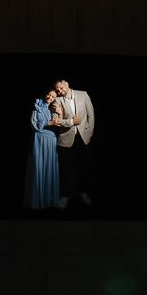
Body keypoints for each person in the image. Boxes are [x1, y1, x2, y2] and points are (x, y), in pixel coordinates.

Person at [52, 77, 97, 209]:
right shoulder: (57, 100)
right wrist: (71, 122)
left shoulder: (83, 94)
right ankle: (65, 196)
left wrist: (89, 133)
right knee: (66, 170)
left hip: (83, 138)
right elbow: (56, 120)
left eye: (61, 87)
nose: (59, 91)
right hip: (65, 140)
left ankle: (83, 192)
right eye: (57, 89)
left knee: (83, 167)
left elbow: (91, 115)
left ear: (67, 84)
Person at [26, 89, 62, 211]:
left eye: (53, 97)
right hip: (40, 139)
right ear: (45, 93)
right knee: (39, 167)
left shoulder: (53, 109)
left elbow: (59, 124)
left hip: (51, 139)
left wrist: (59, 114)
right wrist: (49, 122)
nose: (50, 97)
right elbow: (34, 124)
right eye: (50, 94)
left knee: (49, 168)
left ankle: (50, 200)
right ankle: (38, 200)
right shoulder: (38, 105)